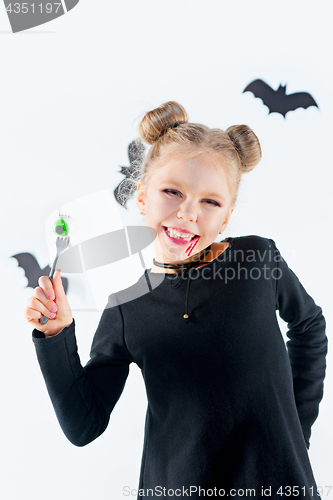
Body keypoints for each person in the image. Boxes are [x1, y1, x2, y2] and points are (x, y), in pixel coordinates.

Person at [24, 101, 327, 499]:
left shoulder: (257, 260)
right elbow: (84, 425)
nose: (188, 213)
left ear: (227, 215)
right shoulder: (126, 307)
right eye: (172, 192)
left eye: (210, 202)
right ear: (142, 197)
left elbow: (309, 327)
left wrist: (296, 430)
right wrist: (57, 334)